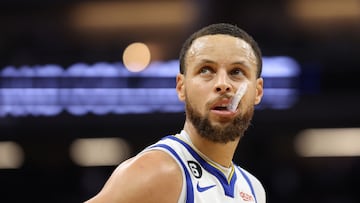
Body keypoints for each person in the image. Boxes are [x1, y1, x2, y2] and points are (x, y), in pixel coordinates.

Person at [85, 23, 266, 203]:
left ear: (257, 91)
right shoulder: (158, 171)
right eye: (206, 70)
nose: (223, 84)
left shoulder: (253, 189)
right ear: (181, 87)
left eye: (236, 72)